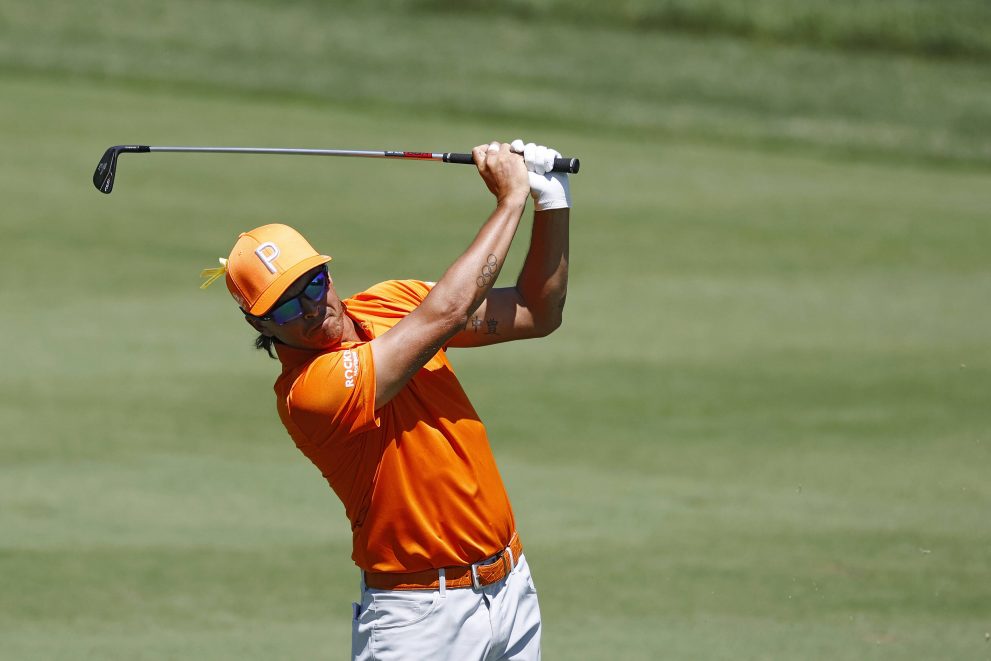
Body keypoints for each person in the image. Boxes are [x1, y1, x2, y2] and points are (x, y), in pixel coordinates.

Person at [201, 139, 570, 660]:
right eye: (285, 308)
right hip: (418, 618)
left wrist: (550, 200)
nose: (311, 309)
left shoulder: (391, 301)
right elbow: (440, 317)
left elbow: (538, 310)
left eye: (312, 284)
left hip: (511, 589)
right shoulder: (310, 392)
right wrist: (509, 201)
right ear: (259, 324)